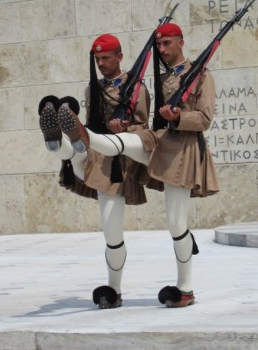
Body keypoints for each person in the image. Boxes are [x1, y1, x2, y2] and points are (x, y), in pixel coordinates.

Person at [56, 22, 219, 308]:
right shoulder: (161, 77)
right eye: (159, 44)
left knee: (176, 223)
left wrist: (178, 117)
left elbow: (204, 119)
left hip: (183, 151)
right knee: (111, 224)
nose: (162, 49)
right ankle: (69, 141)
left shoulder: (202, 76)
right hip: (157, 141)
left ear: (181, 42)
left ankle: (185, 289)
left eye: (167, 43)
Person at [38, 33, 150, 309]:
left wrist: (124, 127)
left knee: (112, 233)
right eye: (97, 59)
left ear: (119, 57)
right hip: (92, 152)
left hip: (117, 164)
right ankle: (56, 142)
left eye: (106, 58)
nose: (101, 63)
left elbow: (143, 127)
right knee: (76, 149)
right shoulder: (93, 88)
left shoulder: (136, 87)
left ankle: (114, 289)